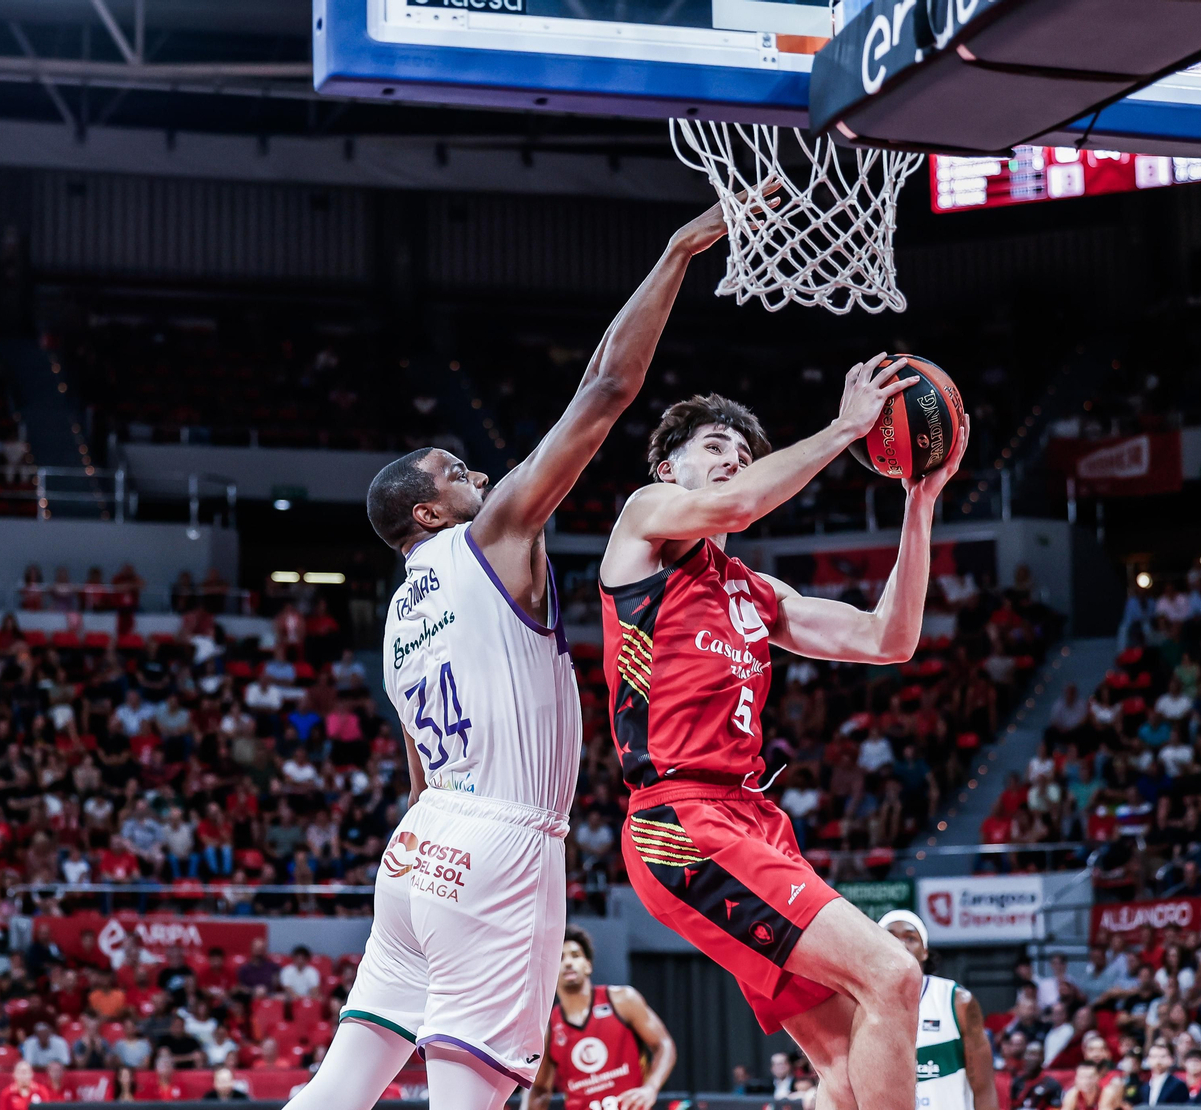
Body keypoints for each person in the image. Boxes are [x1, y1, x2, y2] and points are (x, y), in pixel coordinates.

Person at [286, 194, 747, 1110]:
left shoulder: (393, 619)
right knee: (473, 1098)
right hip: (502, 842)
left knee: (340, 1087)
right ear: (428, 512)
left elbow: (417, 776)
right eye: (458, 474)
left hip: (416, 850)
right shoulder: (491, 537)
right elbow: (606, 392)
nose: (483, 477)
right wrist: (678, 250)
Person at [599, 363, 966, 1110]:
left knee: (845, 1064)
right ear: (671, 467)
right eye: (714, 445)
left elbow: (888, 638)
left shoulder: (757, 594)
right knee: (894, 975)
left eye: (743, 449)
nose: (732, 457)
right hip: (680, 820)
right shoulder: (645, 520)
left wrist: (920, 502)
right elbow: (740, 499)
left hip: (753, 821)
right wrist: (843, 429)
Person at [526, 925, 677, 1110]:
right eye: (560, 958)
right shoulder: (548, 1027)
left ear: (588, 965)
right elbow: (539, 1089)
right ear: (550, 971)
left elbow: (664, 1044)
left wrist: (651, 1088)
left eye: (575, 955)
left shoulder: (622, 1000)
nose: (568, 963)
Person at [880, 911, 998, 1110]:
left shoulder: (956, 1001)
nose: (900, 944)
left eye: (910, 938)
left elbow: (984, 1088)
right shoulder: (856, 1004)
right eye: (890, 937)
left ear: (924, 951)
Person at [1137, 1041, 1188, 1106]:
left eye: (1163, 1056)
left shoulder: (1178, 1085)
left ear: (1171, 1059)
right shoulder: (1145, 1087)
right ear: (1148, 1060)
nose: (1158, 1061)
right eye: (1154, 1056)